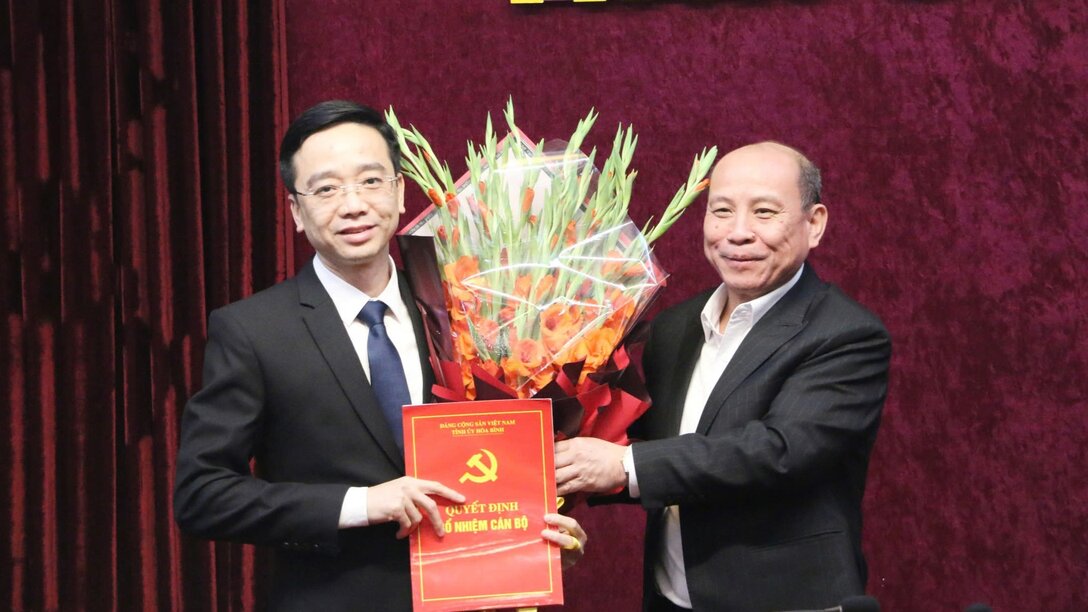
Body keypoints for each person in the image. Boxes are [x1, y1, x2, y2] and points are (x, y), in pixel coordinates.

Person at [174, 100, 586, 611]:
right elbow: (202, 495)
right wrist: (362, 504)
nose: (352, 204)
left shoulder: (471, 309)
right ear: (296, 213)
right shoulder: (253, 331)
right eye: (326, 189)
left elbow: (498, 463)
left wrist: (538, 533)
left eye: (371, 181)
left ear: (399, 190)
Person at [555, 142, 891, 611]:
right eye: (722, 211)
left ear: (814, 224)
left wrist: (621, 467)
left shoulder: (846, 334)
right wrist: (547, 473)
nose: (737, 233)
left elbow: (779, 451)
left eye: (764, 213)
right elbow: (645, 446)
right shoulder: (675, 327)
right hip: (670, 597)